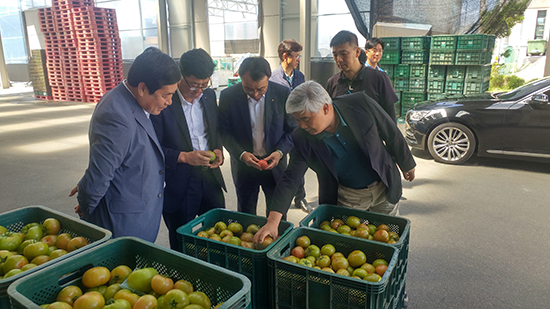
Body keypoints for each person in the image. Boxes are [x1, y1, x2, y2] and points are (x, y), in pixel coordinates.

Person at [253, 81, 416, 243]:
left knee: (387, 238)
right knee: (351, 243)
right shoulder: (302, 138)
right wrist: (273, 222)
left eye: (305, 118)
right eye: (297, 120)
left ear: (325, 108)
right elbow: (290, 178)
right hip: (348, 197)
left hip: (383, 186)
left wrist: (407, 163)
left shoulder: (360, 103)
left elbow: (390, 131)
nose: (301, 125)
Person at [72, 47, 181, 242]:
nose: (169, 102)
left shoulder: (130, 101)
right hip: (122, 224)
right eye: (166, 95)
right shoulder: (116, 116)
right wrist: (87, 205)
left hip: (138, 213)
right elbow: (100, 173)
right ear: (142, 88)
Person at [151, 48, 226, 250]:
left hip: (210, 176)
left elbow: (215, 130)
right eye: (193, 85)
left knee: (219, 233)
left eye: (204, 84)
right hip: (179, 181)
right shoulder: (164, 102)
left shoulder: (209, 96)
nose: (199, 90)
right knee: (181, 237)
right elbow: (153, 148)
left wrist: (218, 150)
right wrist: (184, 157)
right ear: (180, 75)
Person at [219, 57, 296, 216]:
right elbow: (224, 132)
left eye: (261, 89)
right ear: (240, 78)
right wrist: (241, 154)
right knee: (245, 214)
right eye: (248, 89)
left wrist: (280, 153)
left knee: (277, 215)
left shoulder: (282, 93)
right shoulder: (228, 96)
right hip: (244, 166)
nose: (255, 94)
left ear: (268, 78)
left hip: (275, 164)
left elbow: (292, 130)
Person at [269, 39, 311, 213]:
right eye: (296, 56)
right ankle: (281, 198)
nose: (298, 60)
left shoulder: (299, 76)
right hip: (281, 129)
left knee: (299, 163)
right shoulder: (273, 78)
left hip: (298, 127)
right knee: (282, 167)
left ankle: (300, 198)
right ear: (285, 57)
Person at [326, 30, 398, 122]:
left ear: (357, 52)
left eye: (344, 54)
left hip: (373, 136)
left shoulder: (379, 79)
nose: (339, 59)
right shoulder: (333, 82)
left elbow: (391, 119)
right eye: (335, 55)